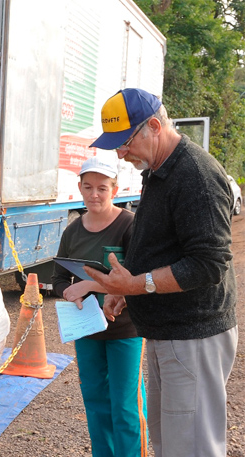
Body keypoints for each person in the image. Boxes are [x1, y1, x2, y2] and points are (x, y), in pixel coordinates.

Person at [85, 88, 238, 457]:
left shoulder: (195, 176)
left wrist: (137, 284)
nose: (120, 153)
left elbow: (210, 263)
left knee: (192, 448)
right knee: (169, 443)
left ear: (154, 126)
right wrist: (125, 287)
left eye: (124, 142)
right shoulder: (158, 170)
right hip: (169, 334)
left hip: (193, 335)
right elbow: (159, 242)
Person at [52, 156, 147, 457]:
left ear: (115, 190)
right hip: (87, 330)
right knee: (95, 402)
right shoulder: (72, 231)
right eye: (88, 187)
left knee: (125, 405)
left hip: (125, 330)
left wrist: (91, 285)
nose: (95, 194)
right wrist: (70, 293)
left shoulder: (130, 226)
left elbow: (138, 281)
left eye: (102, 188)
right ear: (79, 187)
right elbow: (57, 278)